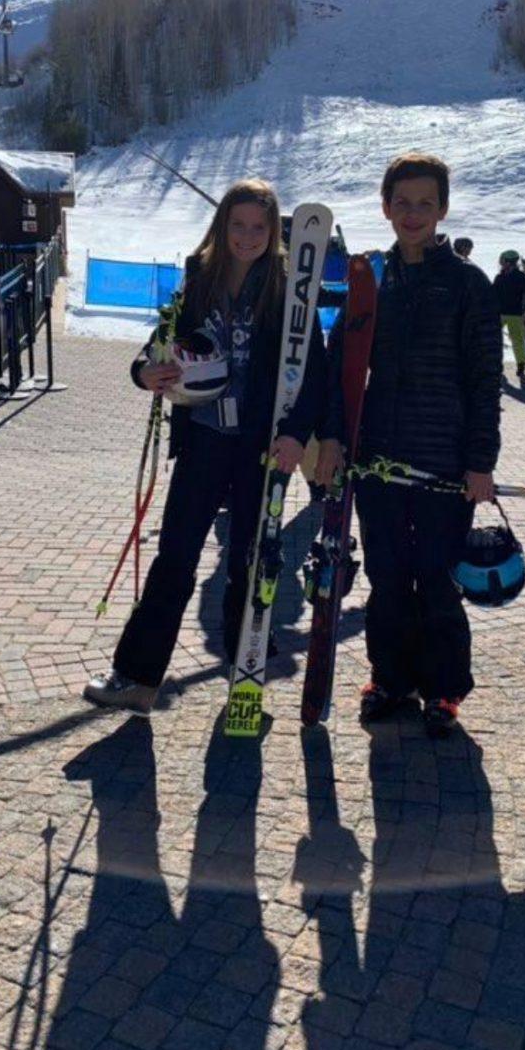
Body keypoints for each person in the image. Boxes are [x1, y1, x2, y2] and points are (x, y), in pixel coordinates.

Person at [83, 179, 325, 713]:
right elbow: (161, 343)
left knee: (249, 559)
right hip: (205, 441)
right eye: (236, 225)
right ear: (221, 227)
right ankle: (138, 677)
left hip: (259, 449)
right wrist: (145, 371)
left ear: (274, 231)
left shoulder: (290, 291)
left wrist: (295, 434)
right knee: (175, 558)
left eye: (258, 227)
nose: (246, 237)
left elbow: (315, 373)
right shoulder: (198, 280)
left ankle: (248, 673)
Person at [316, 153, 502, 737]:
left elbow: (484, 379)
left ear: (442, 209)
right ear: (386, 208)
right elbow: (337, 364)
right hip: (378, 463)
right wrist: (336, 440)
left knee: (438, 582)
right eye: (403, 203)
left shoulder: (468, 285)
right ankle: (390, 679)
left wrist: (480, 462)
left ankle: (443, 690)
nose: (414, 213)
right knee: (389, 580)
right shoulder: (370, 281)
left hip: (445, 465)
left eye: (425, 203)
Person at [493, 249, 525, 376]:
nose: (501, 264)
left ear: (510, 262)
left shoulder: (521, 277)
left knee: (517, 341)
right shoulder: (500, 277)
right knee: (494, 340)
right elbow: (493, 294)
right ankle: (495, 362)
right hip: (499, 313)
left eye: (503, 261)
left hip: (515, 314)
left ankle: (521, 364)